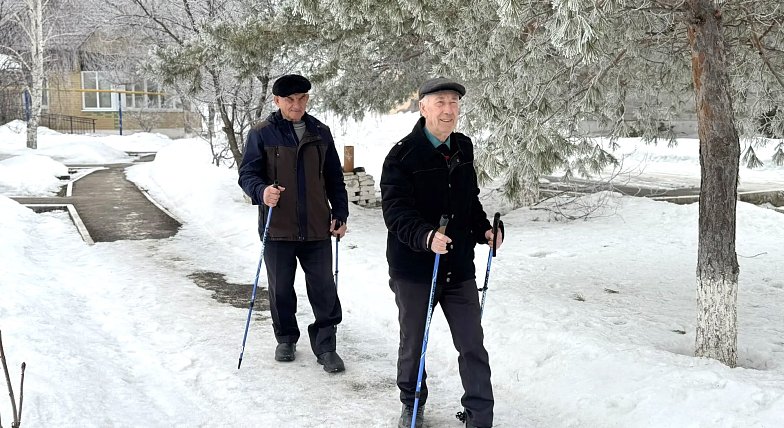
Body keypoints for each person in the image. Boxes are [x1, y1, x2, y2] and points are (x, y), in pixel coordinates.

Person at [380, 77, 503, 428]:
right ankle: (412, 403)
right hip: (416, 268)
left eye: (453, 103)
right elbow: (395, 213)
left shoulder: (463, 147)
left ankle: (480, 415)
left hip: (459, 266)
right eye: (440, 103)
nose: (448, 110)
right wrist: (425, 236)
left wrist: (484, 231)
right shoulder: (402, 155)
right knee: (414, 342)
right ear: (423, 108)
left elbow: (469, 201)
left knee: (472, 343)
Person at [238, 74, 348, 373]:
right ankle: (285, 337)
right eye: (290, 100)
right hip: (278, 227)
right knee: (281, 288)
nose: (297, 105)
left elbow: (335, 178)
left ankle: (326, 346)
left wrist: (340, 213)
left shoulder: (320, 132)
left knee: (324, 288)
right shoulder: (262, 133)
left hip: (317, 227)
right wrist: (262, 191)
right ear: (277, 101)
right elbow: (247, 174)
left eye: (302, 98)